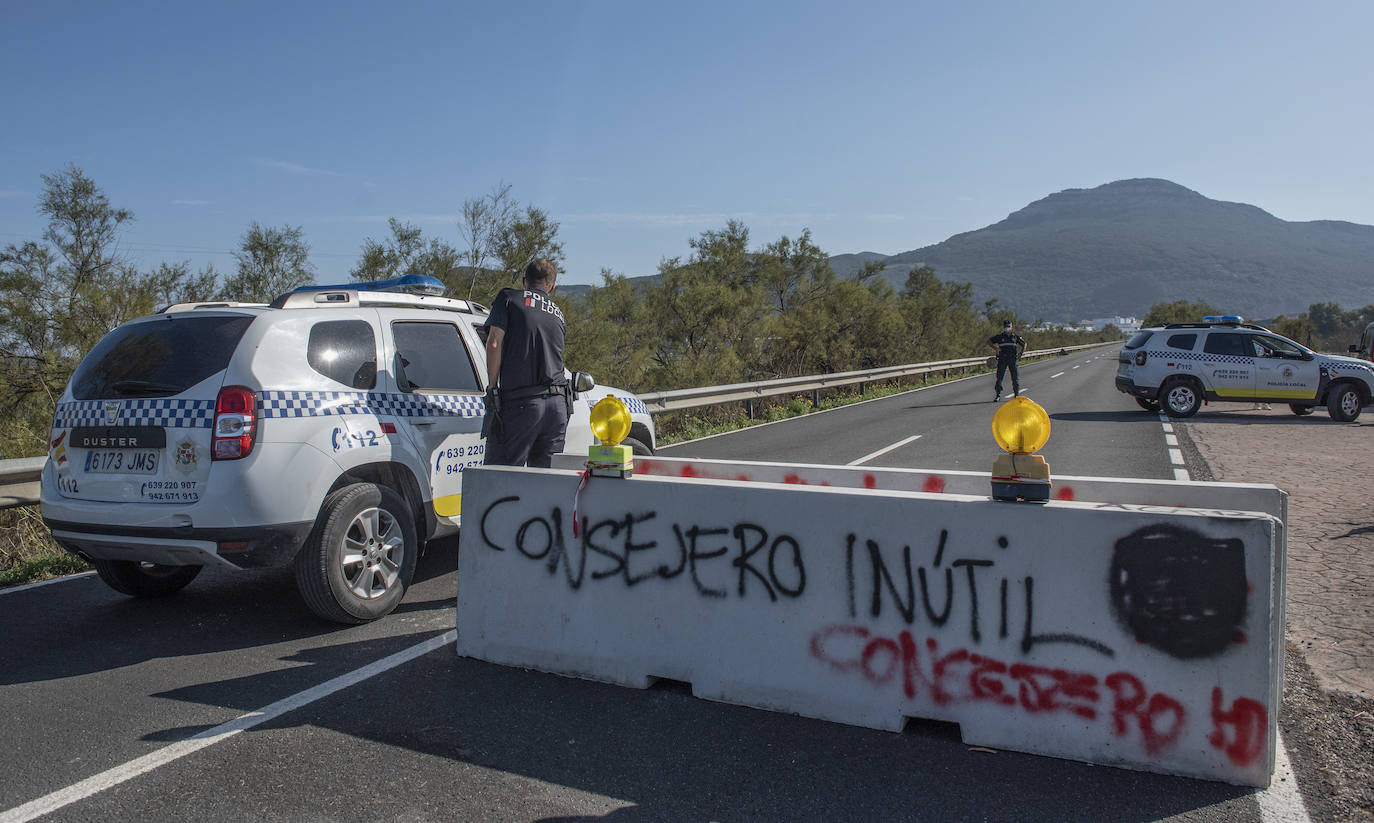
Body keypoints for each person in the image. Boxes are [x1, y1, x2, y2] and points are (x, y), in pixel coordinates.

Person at [482, 258, 571, 467]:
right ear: (552, 287)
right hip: (558, 406)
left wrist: (492, 388)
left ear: (524, 281)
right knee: (545, 481)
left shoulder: (509, 298)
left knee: (501, 477)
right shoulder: (558, 314)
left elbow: (494, 343)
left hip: (522, 402)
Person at [988, 320, 1026, 400]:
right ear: (1003, 327)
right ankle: (998, 395)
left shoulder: (1015, 337)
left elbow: (1024, 344)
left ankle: (1016, 395)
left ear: (1011, 327)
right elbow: (989, 341)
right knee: (999, 378)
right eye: (1006, 327)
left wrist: (1020, 353)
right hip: (1002, 359)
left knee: (1015, 378)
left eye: (1009, 326)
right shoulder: (1000, 337)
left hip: (1012, 359)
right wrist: (995, 348)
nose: (1007, 328)